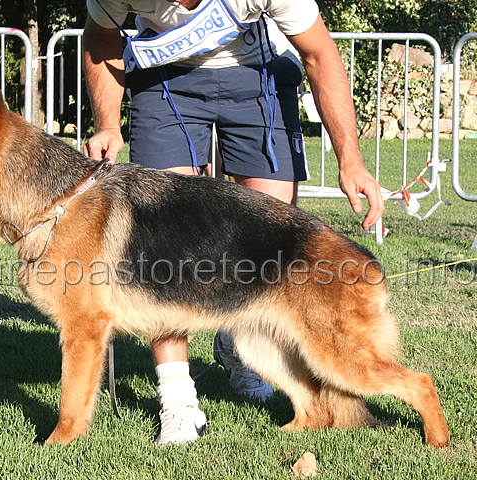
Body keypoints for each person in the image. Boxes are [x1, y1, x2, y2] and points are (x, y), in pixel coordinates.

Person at [83, 0, 385, 445]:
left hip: (258, 74)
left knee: (272, 243)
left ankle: (244, 354)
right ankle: (178, 398)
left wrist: (351, 160)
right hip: (164, 77)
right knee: (165, 251)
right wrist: (108, 123)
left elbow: (320, 53)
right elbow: (101, 38)